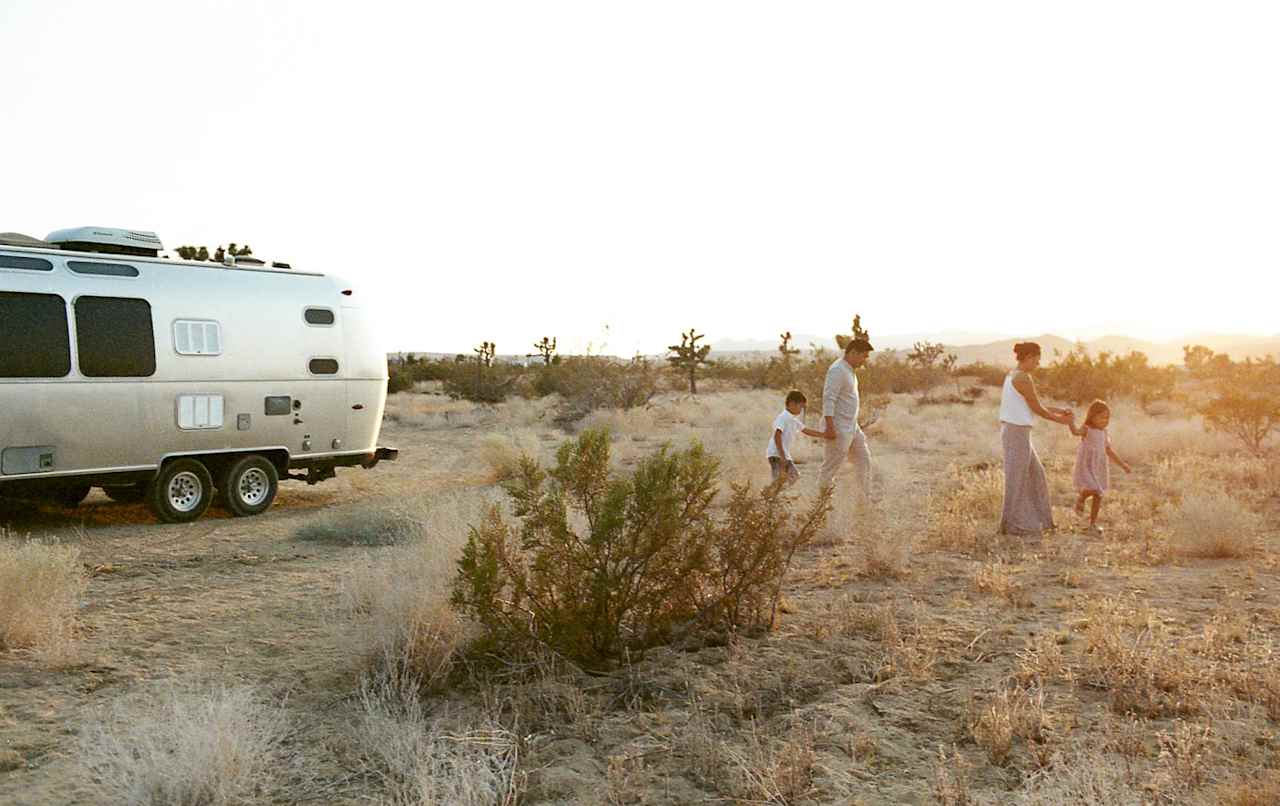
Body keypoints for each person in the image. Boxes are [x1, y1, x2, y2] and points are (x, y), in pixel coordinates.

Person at [998, 341, 1074, 536]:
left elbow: (1034, 404)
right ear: (1030, 357)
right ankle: (1009, 526)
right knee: (1016, 479)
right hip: (1016, 433)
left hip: (1019, 432)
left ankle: (1043, 523)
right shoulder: (1022, 377)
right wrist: (1062, 421)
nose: (1038, 365)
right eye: (1037, 360)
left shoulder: (1014, 375)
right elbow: (1038, 409)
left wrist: (1058, 410)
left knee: (1036, 474)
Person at [818, 337, 874, 496]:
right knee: (830, 468)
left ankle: (864, 501)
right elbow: (829, 398)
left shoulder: (849, 370)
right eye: (863, 356)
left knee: (864, 461)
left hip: (851, 426)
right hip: (837, 427)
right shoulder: (837, 370)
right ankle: (820, 507)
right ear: (853, 353)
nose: (864, 361)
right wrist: (829, 427)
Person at [1069, 399, 1132, 535]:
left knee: (1099, 494)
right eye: (1102, 417)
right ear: (1092, 416)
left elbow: (1109, 451)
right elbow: (1075, 432)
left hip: (1098, 467)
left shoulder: (1104, 433)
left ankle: (1092, 524)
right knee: (1095, 489)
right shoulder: (1087, 429)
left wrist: (1123, 465)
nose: (1105, 420)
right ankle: (1081, 498)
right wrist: (1070, 421)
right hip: (1086, 465)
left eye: (1107, 418)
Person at [766, 390, 832, 485]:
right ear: (792, 404)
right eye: (801, 407)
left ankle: (770, 495)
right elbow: (777, 435)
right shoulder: (783, 417)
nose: (801, 410)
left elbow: (806, 431)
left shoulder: (793, 420)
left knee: (793, 477)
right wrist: (782, 455)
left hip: (783, 455)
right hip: (777, 455)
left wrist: (825, 434)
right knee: (780, 479)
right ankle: (768, 495)